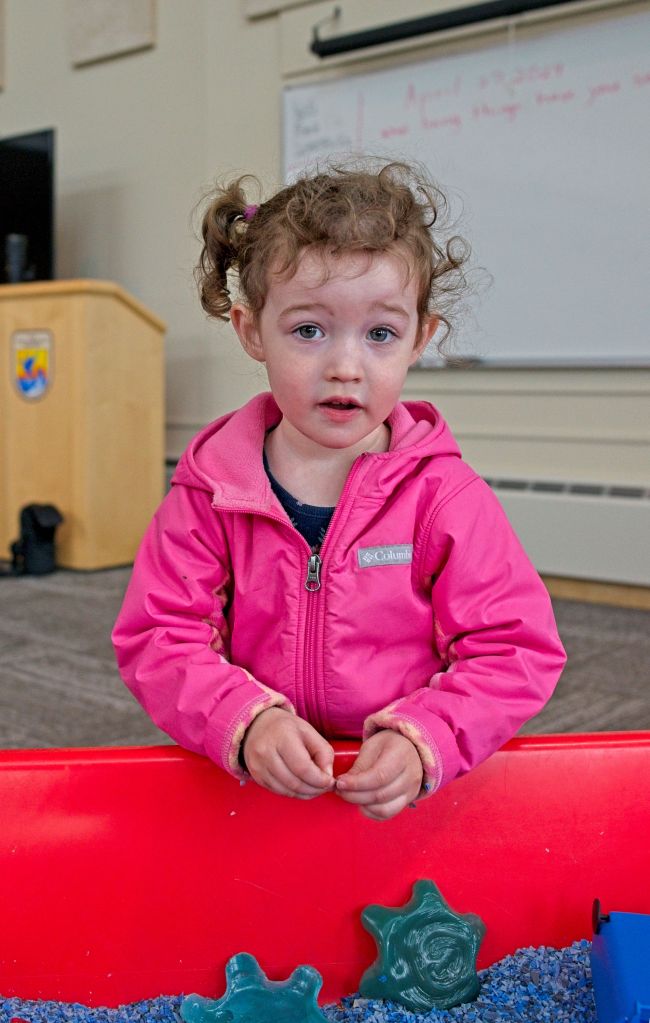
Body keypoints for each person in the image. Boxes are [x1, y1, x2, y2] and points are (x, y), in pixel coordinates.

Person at [112, 161, 566, 821]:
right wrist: (242, 719)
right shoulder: (211, 486)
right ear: (251, 332)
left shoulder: (445, 494)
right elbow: (159, 632)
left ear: (419, 339)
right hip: (253, 781)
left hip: (400, 791)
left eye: (380, 334)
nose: (345, 366)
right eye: (308, 331)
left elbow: (515, 647)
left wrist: (430, 733)